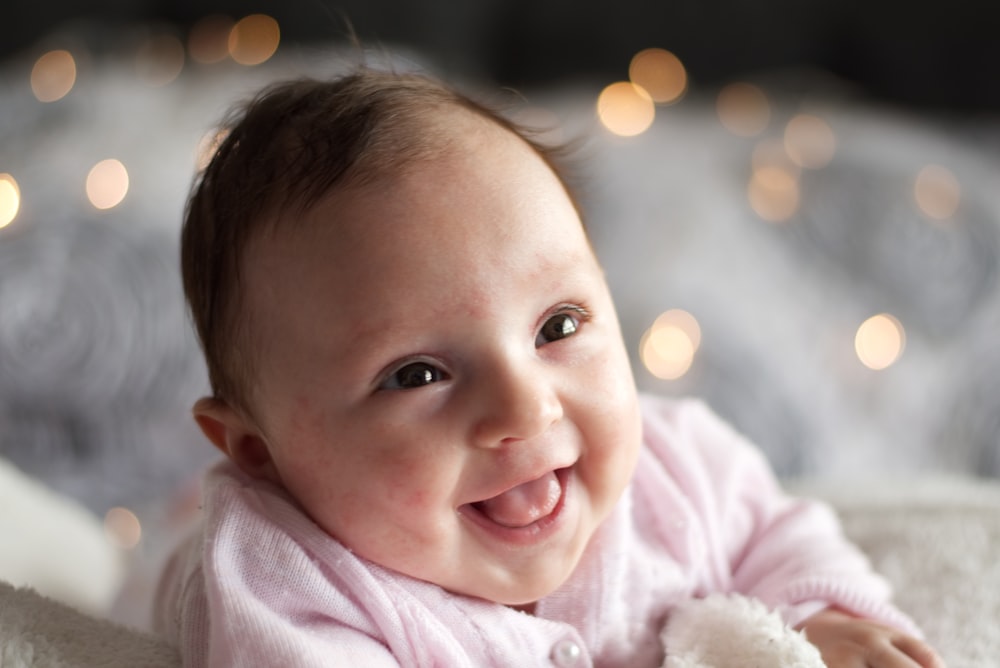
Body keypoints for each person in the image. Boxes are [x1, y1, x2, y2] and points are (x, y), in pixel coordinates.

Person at [154, 66, 944, 667]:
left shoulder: (677, 468)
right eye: (417, 375)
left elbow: (777, 535)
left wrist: (818, 619)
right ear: (260, 452)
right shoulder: (279, 579)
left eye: (558, 325)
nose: (526, 409)